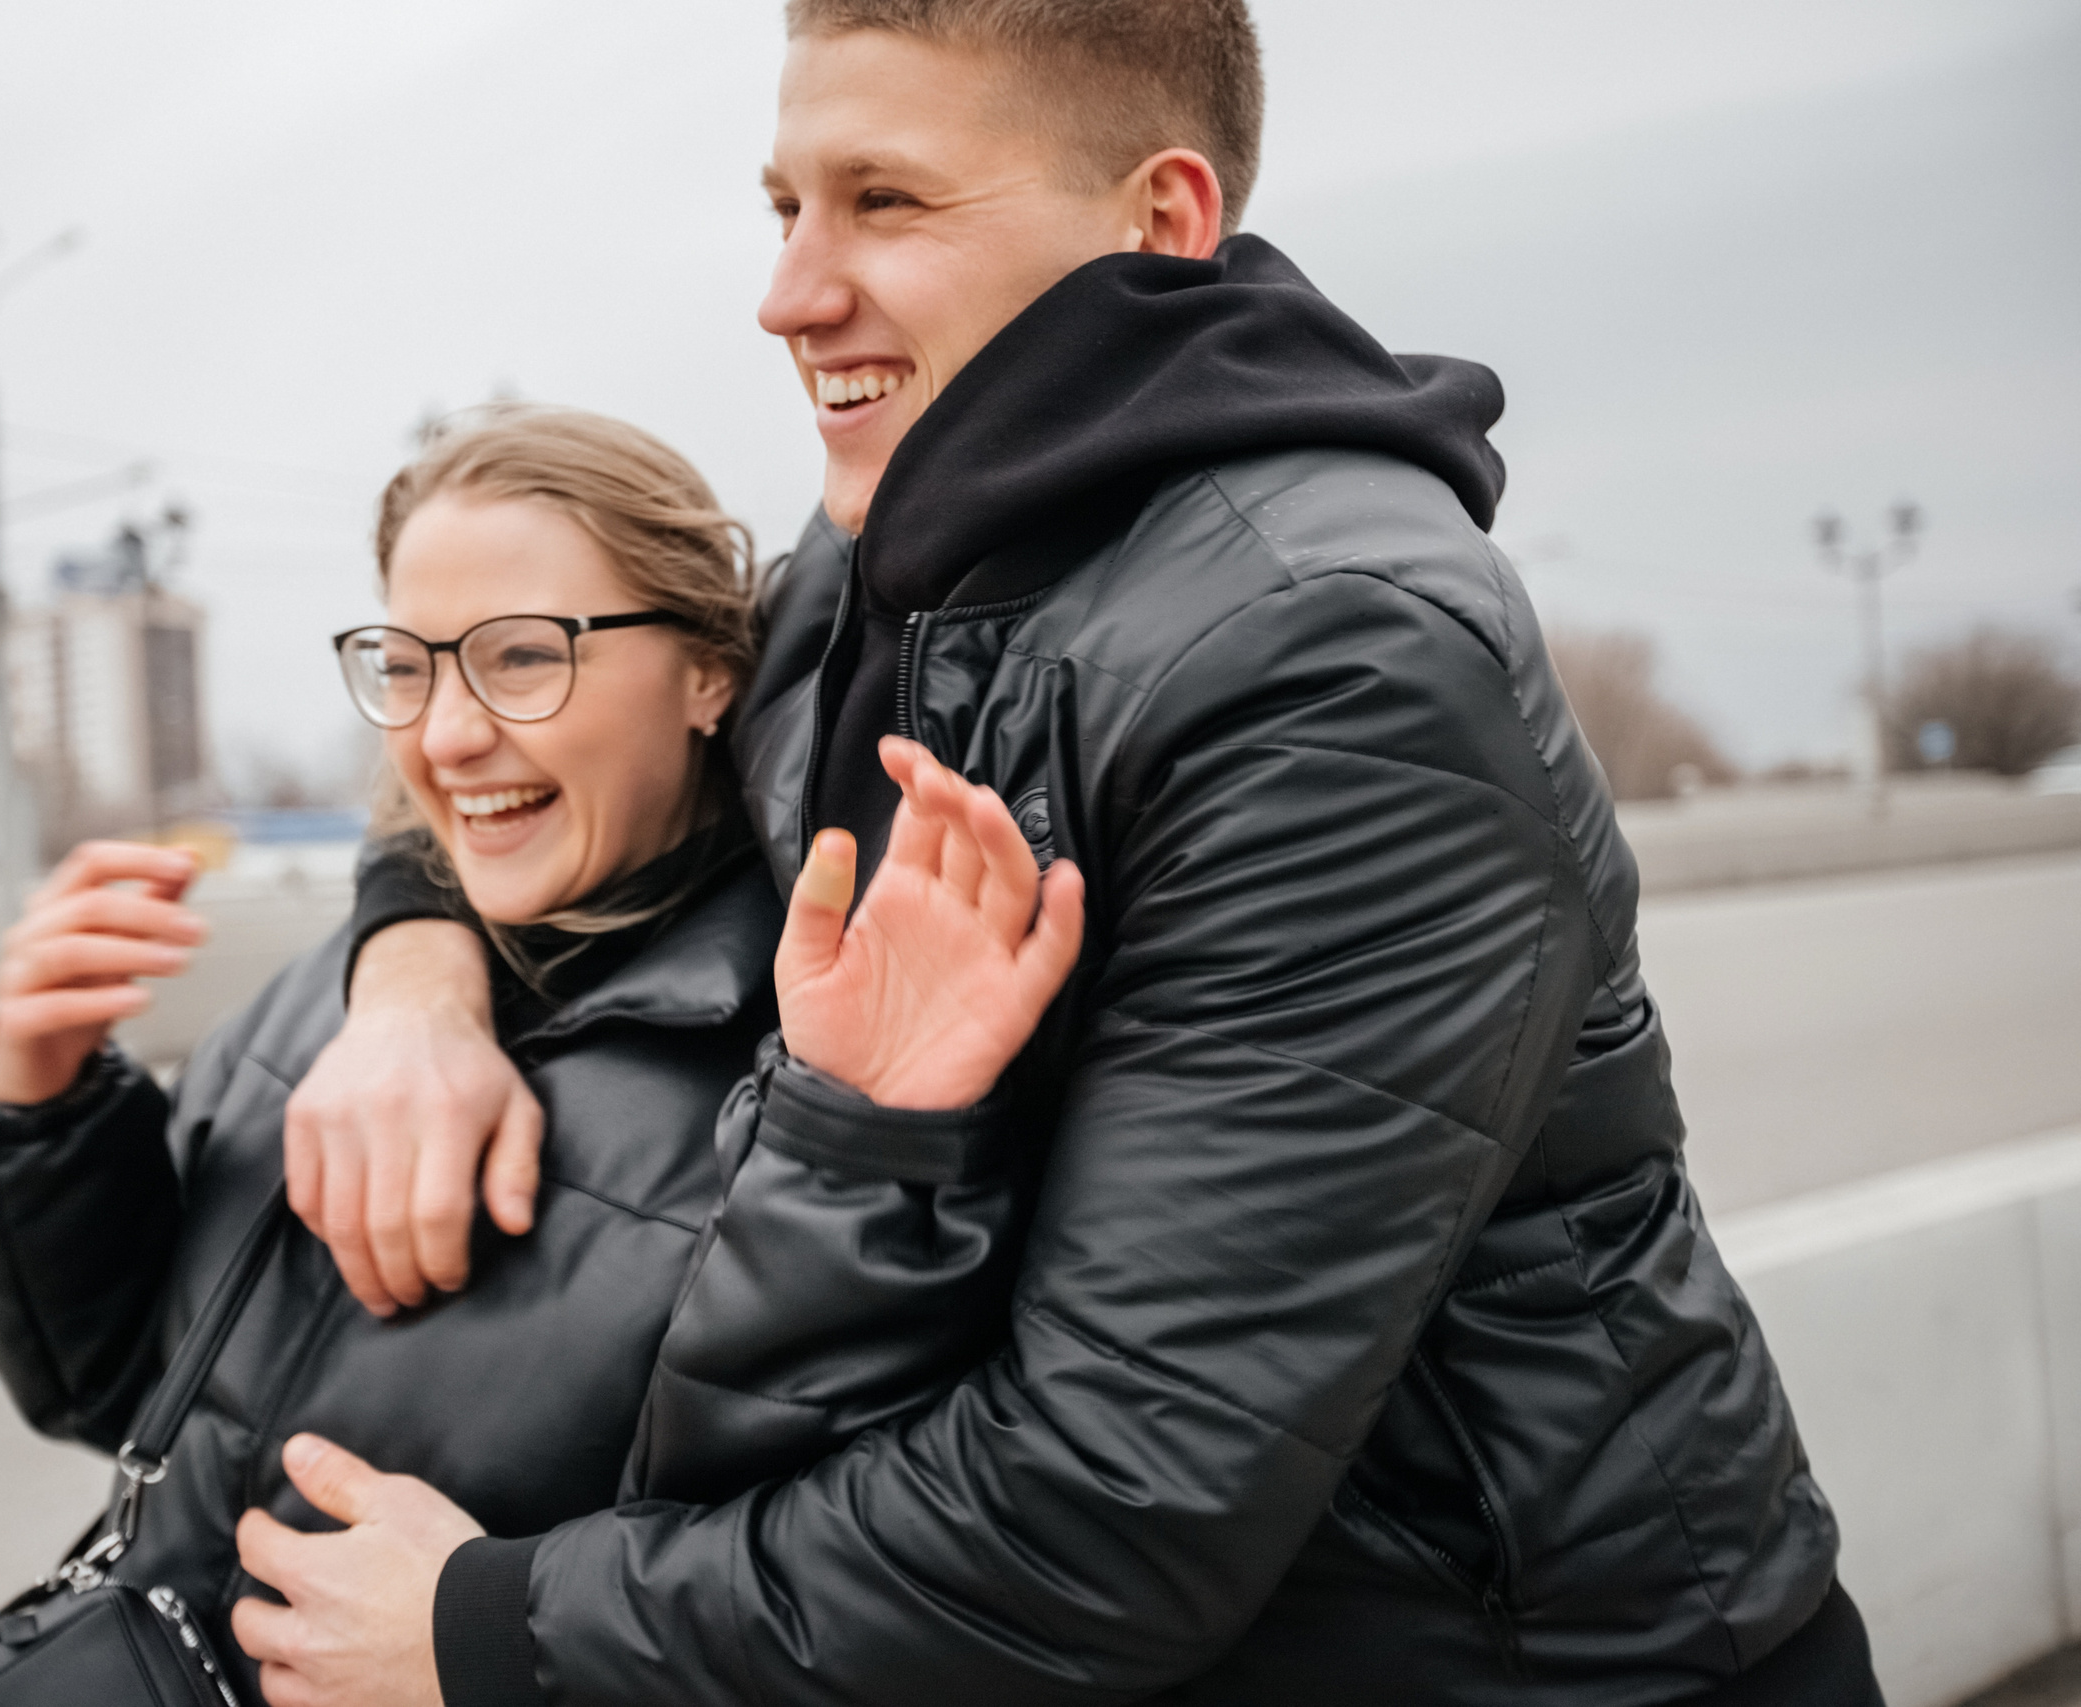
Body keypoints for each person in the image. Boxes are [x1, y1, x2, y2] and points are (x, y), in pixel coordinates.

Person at [269, 4, 1884, 1705]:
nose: (789, 292)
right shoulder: (875, 572)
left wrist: (489, 1639)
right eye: (786, 205)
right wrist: (415, 987)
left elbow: (1113, 1502)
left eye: (884, 202)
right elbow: (548, 755)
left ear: (1161, 221)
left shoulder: (1337, 664)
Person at [0, 407, 1082, 1707]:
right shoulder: (332, 992)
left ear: (707, 672)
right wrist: (41, 1102)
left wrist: (488, 1641)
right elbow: (120, 1396)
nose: (445, 736)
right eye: (406, 664)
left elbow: (816, 1578)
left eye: (521, 658)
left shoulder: (818, 1067)